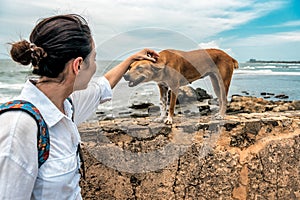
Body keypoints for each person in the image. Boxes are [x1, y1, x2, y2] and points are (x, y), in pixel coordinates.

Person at [0, 14, 159, 199]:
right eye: (94, 59)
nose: (95, 67)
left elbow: (103, 86)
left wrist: (131, 59)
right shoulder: (18, 127)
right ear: (78, 65)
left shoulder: (67, 104)